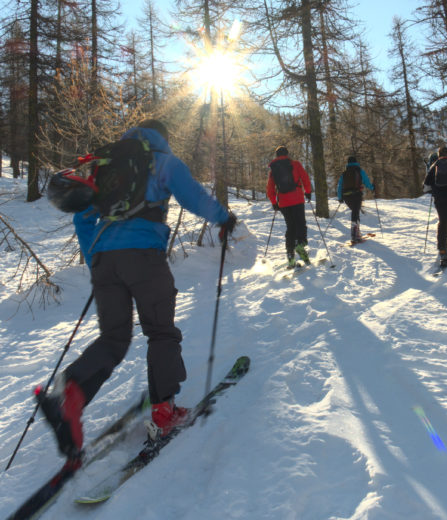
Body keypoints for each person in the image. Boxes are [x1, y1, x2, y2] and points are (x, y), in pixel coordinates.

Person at [42, 119, 237, 458]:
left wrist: (97, 261)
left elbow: (82, 217)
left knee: (114, 338)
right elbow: (193, 196)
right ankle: (164, 414)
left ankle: (69, 392)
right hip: (144, 255)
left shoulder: (106, 165)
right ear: (163, 137)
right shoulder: (160, 159)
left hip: (105, 258)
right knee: (160, 331)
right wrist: (224, 218)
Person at [267, 146, 312, 269]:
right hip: (297, 199)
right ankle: (300, 244)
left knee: (290, 227)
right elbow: (305, 178)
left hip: (284, 203)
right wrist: (308, 191)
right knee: (301, 224)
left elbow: (270, 188)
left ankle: (290, 256)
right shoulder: (295, 164)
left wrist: (274, 202)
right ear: (287, 153)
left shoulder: (274, 169)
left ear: (276, 155)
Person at [336, 155, 375, 243]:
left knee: (354, 212)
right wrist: (372, 188)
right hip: (356, 195)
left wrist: (340, 197)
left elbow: (339, 186)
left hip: (346, 197)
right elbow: (366, 181)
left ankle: (356, 232)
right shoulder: (359, 170)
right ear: (356, 162)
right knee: (355, 213)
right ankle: (355, 234)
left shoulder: (344, 173)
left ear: (348, 163)